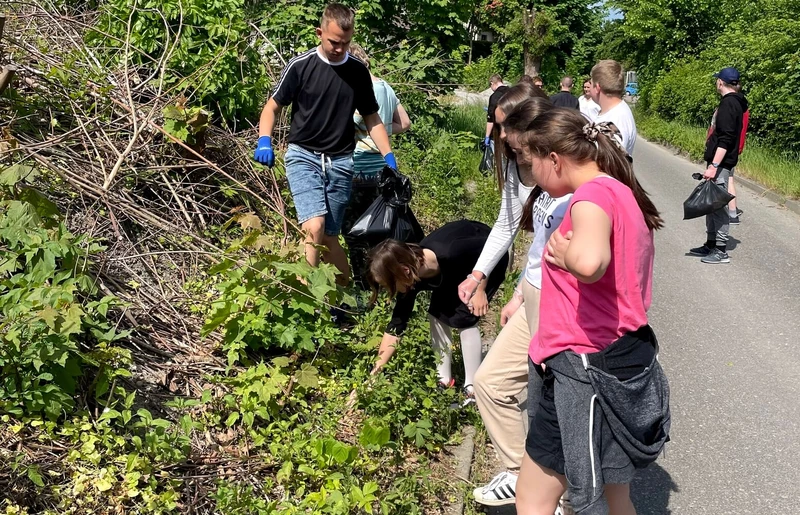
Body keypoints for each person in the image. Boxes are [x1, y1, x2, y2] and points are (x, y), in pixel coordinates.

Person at [514, 108, 669, 515]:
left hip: (584, 368)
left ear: (555, 159)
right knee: (612, 494)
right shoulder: (619, 189)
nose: (533, 176)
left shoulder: (591, 196)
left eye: (532, 163)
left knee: (574, 498)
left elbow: (590, 262)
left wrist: (567, 255)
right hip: (614, 356)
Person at [462, 95, 573, 508]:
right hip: (533, 296)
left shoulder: (575, 186)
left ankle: (553, 491)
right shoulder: (532, 169)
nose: (503, 138)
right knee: (490, 384)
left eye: (509, 129)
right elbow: (524, 233)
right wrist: (498, 283)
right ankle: (519, 472)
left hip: (559, 310)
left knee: (553, 409)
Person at [254, 4, 397, 286]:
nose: (339, 48)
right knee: (314, 227)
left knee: (330, 237)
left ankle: (343, 302)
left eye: (345, 43)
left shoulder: (357, 72)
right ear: (320, 33)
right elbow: (272, 108)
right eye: (333, 42)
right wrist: (264, 140)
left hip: (341, 161)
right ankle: (307, 300)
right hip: (303, 155)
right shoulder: (301, 66)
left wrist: (389, 157)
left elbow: (372, 117)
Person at [366, 220, 508, 402]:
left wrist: (480, 288)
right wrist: (374, 375)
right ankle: (443, 380)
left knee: (465, 316)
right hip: (455, 270)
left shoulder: (450, 250)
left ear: (405, 271)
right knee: (437, 314)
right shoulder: (413, 275)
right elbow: (397, 325)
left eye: (388, 286)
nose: (388, 292)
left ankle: (473, 388)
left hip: (486, 259)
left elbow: (491, 247)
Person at [342, 43, 411, 289]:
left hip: (360, 168)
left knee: (355, 231)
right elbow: (404, 122)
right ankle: (388, 280)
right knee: (382, 230)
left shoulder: (359, 89)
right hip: (384, 168)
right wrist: (382, 133)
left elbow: (358, 120)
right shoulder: (386, 87)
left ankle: (365, 284)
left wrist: (364, 131)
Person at [690, 67, 748, 264]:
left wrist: (714, 165)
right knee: (710, 204)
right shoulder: (734, 103)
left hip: (721, 164)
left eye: (717, 80)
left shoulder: (729, 104)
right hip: (721, 162)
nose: (716, 82)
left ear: (721, 82)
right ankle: (711, 243)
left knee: (718, 205)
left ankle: (721, 250)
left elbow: (726, 138)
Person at [588, 60, 637, 155]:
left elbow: (609, 164)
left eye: (591, 83)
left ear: (597, 87)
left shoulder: (616, 119)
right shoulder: (614, 111)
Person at [484, 74, 509, 151]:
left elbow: (490, 118)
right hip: (512, 131)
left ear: (492, 83)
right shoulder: (512, 92)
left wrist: (487, 136)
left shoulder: (495, 96)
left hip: (498, 133)